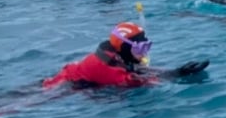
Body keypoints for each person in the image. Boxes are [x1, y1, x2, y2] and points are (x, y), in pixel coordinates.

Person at [42, 22, 208, 89]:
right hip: (61, 88)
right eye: (141, 47)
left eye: (147, 46)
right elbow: (141, 81)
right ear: (124, 48)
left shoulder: (118, 54)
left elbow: (137, 70)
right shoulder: (108, 68)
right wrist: (179, 74)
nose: (144, 52)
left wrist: (176, 69)